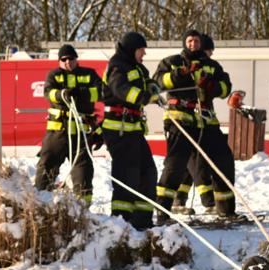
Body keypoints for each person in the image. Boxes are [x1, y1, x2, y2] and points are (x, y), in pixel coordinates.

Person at [153, 29, 236, 224]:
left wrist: (210, 85)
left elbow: (225, 88)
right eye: (189, 41)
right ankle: (162, 212)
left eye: (196, 41)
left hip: (206, 121)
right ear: (185, 42)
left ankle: (226, 211)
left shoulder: (211, 65)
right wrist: (178, 75)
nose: (193, 44)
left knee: (223, 161)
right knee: (175, 166)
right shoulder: (172, 61)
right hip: (180, 119)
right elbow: (158, 82)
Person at [100, 32, 162, 230]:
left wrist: (153, 87)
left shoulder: (137, 67)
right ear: (131, 49)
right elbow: (121, 90)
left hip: (133, 130)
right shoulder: (117, 66)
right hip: (119, 130)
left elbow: (148, 81)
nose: (143, 54)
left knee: (148, 175)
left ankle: (142, 222)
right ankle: (121, 224)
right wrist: (144, 97)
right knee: (127, 178)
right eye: (141, 50)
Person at [34, 44, 102, 203]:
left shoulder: (89, 74)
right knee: (47, 166)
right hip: (58, 132)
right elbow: (48, 93)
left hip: (81, 133)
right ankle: (40, 202)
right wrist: (62, 94)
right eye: (63, 59)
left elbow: (102, 92)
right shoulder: (54, 75)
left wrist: (81, 93)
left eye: (71, 58)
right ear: (59, 61)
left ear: (76, 59)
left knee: (83, 172)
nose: (67, 62)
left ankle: (83, 208)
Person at [171, 32, 218, 215]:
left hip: (202, 122)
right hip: (187, 123)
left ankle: (179, 199)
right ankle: (209, 202)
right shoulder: (184, 64)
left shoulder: (208, 68)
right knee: (197, 164)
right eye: (208, 52)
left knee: (188, 167)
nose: (209, 57)